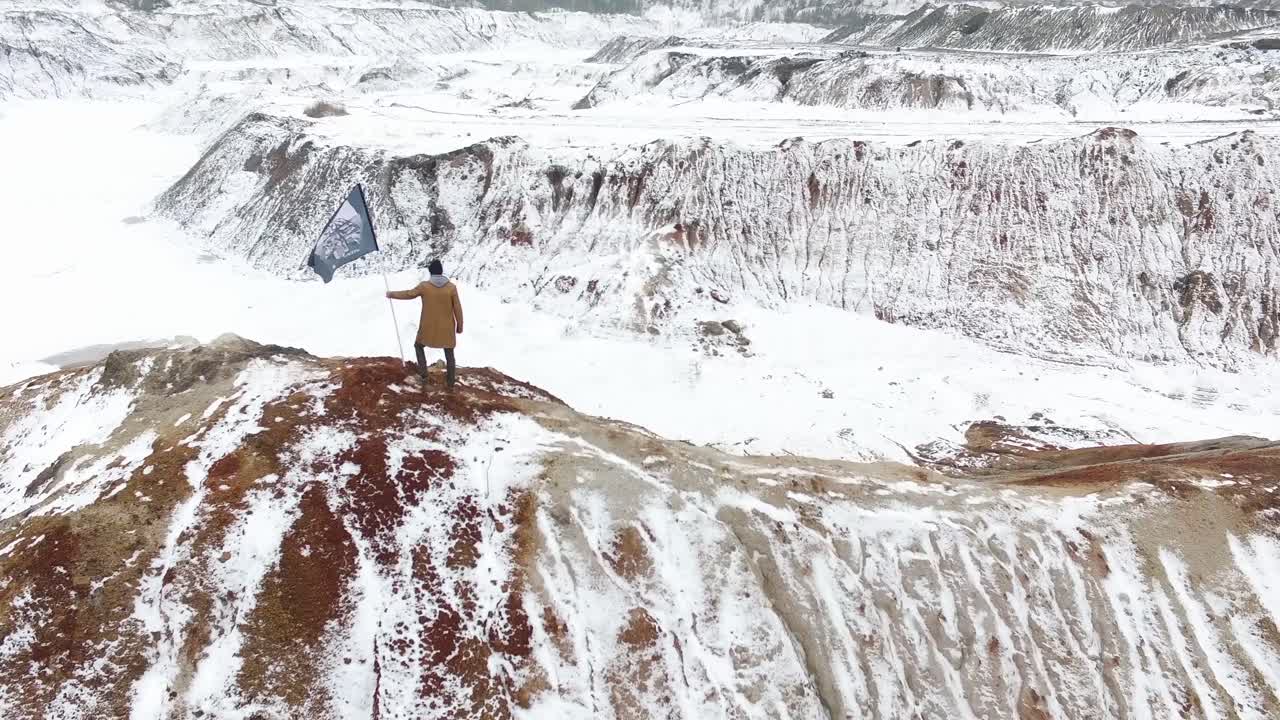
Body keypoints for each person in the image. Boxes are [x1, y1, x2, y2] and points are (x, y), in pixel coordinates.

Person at [386, 259, 464, 387]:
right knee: (449, 353)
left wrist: (391, 294)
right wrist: (460, 326)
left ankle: (424, 375)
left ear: (430, 272)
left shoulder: (424, 286)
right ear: (441, 271)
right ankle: (450, 381)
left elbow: (408, 294)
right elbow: (458, 309)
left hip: (428, 327)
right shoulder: (451, 288)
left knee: (418, 346)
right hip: (447, 328)